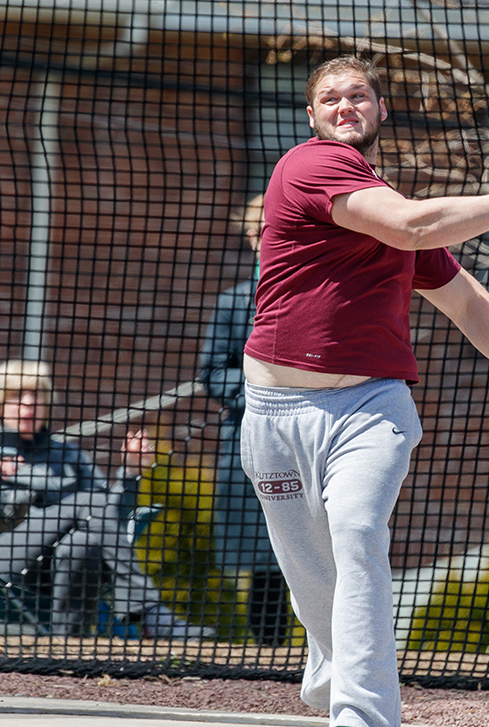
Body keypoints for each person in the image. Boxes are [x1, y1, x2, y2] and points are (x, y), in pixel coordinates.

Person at [240, 55, 489, 727]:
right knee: (314, 580)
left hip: (370, 407)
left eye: (359, 95)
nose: (346, 106)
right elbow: (412, 225)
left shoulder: (388, 204)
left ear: (382, 110)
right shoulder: (309, 166)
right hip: (276, 412)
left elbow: (461, 297)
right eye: (331, 98)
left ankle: (363, 715)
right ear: (312, 116)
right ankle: (334, 665)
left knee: (358, 534)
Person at [0, 359, 211, 639]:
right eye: (17, 395)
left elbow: (110, 516)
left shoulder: (68, 454)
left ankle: (67, 646)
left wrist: (131, 474)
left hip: (55, 565)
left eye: (37, 395)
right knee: (87, 503)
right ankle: (150, 612)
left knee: (83, 543)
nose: (29, 403)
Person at [199, 194, 290, 647]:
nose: (263, 240)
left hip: (311, 436)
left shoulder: (310, 292)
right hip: (253, 437)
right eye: (257, 232)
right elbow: (212, 372)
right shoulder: (234, 302)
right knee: (263, 555)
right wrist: (262, 385)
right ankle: (268, 650)